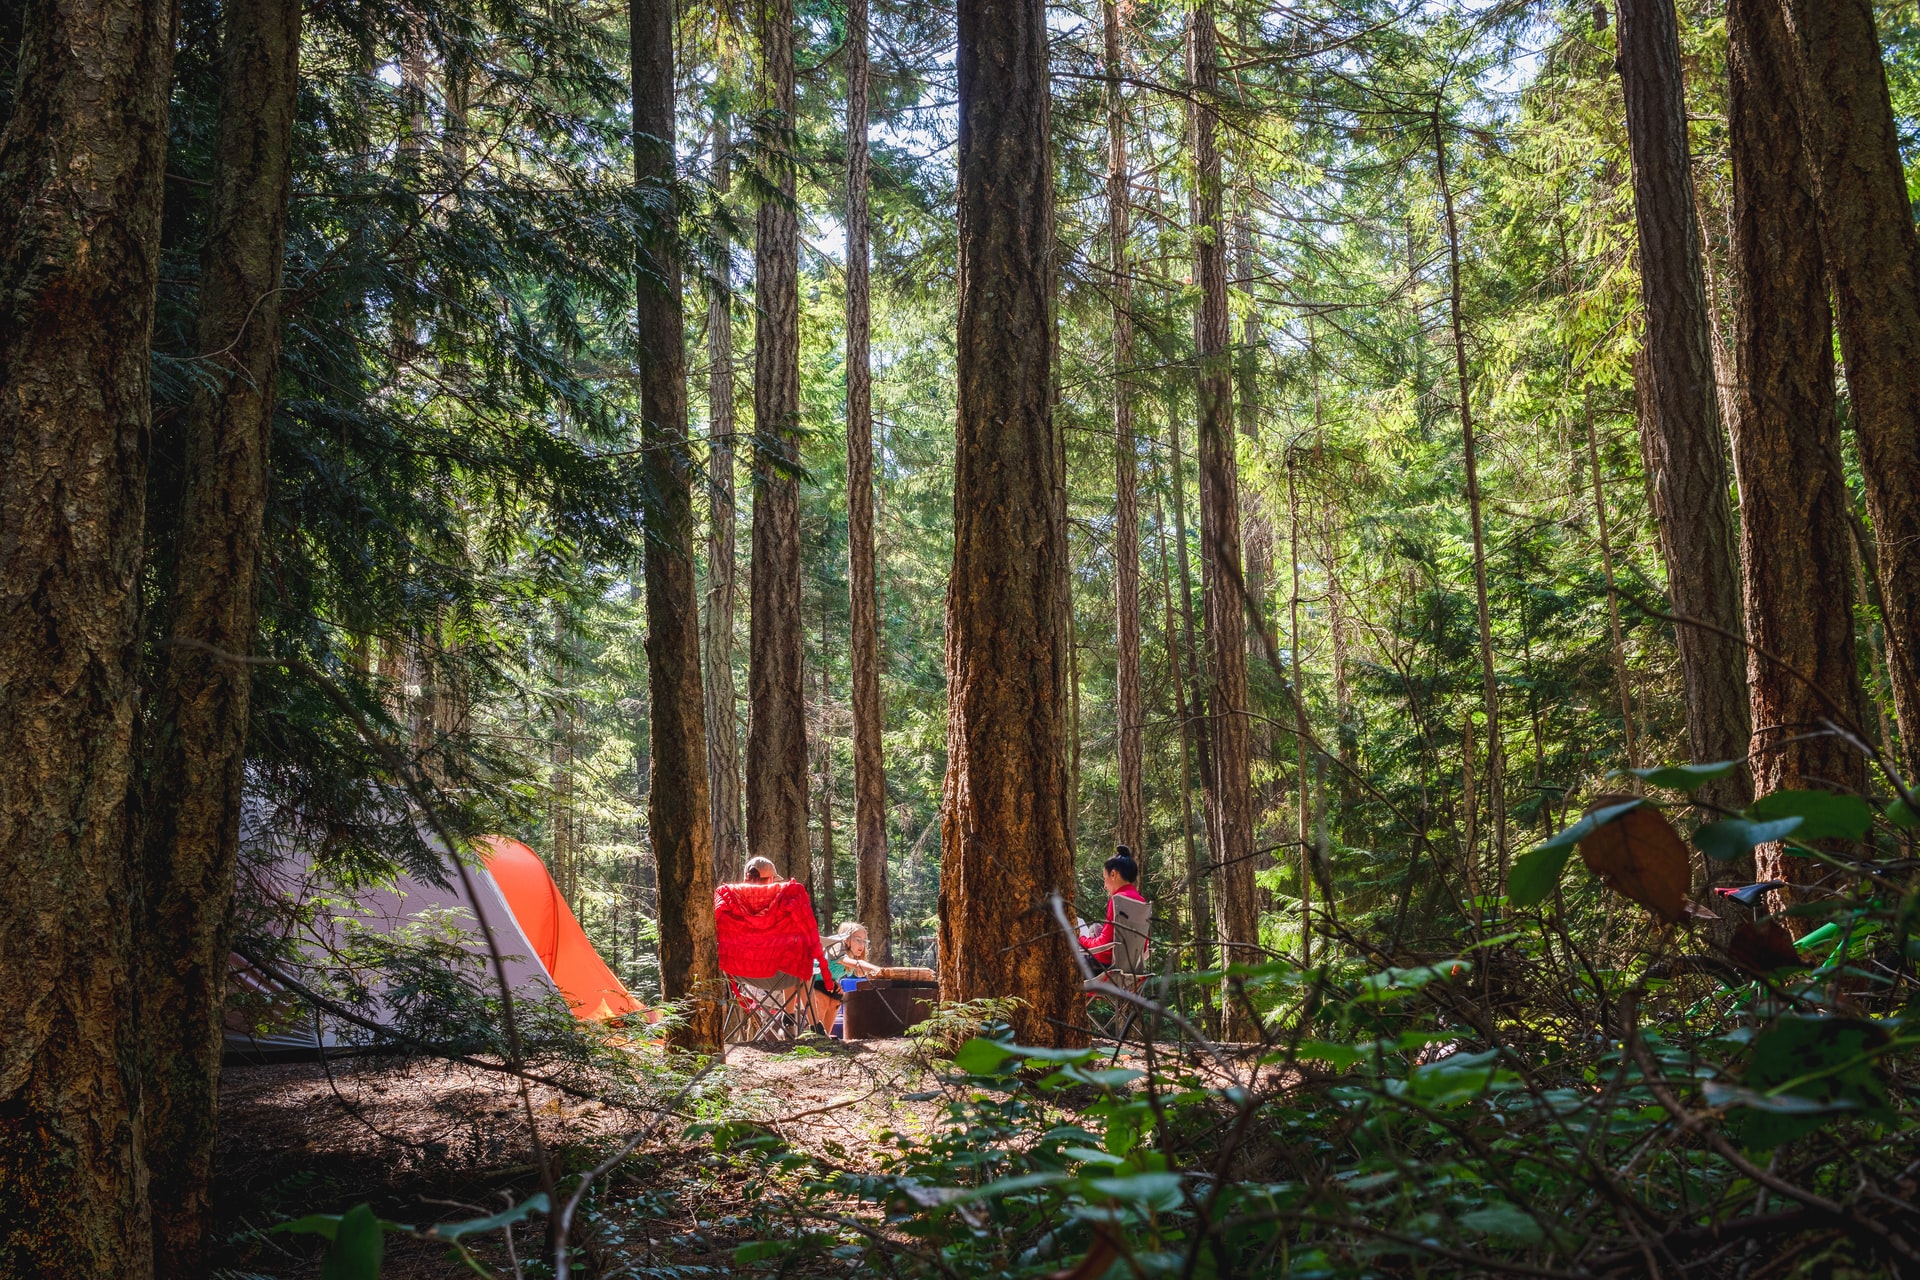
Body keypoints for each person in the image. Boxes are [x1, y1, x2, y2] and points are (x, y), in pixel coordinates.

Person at [1079, 848, 1147, 974]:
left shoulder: (1118, 900)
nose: (1105, 885)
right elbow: (1143, 943)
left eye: (1105, 878)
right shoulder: (1142, 902)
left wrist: (1081, 939)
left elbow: (1105, 942)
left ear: (1113, 874)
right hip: (1133, 968)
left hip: (1105, 965)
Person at [811, 921, 882, 1035]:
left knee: (836, 998)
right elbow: (855, 964)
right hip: (807, 981)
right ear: (845, 939)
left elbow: (831, 971)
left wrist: (836, 982)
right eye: (858, 939)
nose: (862, 944)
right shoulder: (837, 946)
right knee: (823, 997)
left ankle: (824, 1038)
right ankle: (814, 1035)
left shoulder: (851, 956)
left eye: (864, 941)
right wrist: (878, 970)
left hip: (824, 983)